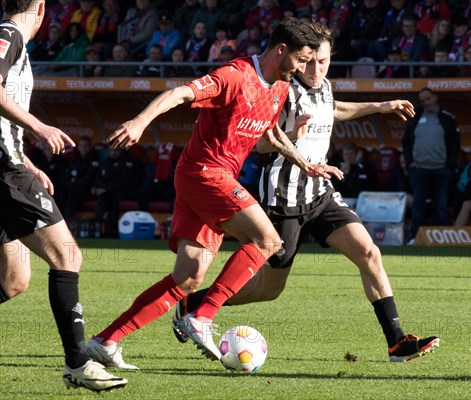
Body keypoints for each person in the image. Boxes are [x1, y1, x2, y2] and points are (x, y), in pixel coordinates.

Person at [171, 22, 440, 364]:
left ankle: (397, 343)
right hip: (283, 201)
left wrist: (381, 106)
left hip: (320, 194)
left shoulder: (323, 86)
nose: (315, 69)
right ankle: (194, 304)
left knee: (369, 252)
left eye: (323, 62)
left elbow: (334, 109)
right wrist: (292, 137)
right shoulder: (282, 89)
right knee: (269, 290)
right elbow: (260, 147)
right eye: (310, 62)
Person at [85, 18, 335, 369]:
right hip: (204, 173)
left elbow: (270, 139)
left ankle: (105, 341)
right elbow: (178, 93)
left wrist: (304, 161)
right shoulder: (235, 75)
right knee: (267, 240)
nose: (306, 68)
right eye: (303, 59)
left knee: (188, 277)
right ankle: (203, 316)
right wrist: (141, 121)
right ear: (282, 51)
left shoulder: (279, 88)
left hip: (210, 178)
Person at [0, 0, 126, 392]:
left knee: (14, 279)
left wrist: (25, 158)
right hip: (4, 173)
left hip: (11, 165)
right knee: (67, 255)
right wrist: (38, 126)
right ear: (41, 8)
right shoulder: (9, 35)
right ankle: (77, 363)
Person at [403, 87, 460, 243]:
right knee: (418, 205)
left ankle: (440, 238)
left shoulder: (447, 118)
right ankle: (415, 238)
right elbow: (406, 143)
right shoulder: (414, 118)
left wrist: (449, 165)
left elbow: (455, 144)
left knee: (440, 205)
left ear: (435, 98)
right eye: (422, 100)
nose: (425, 102)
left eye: (428, 98)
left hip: (441, 169)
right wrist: (410, 163)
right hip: (419, 169)